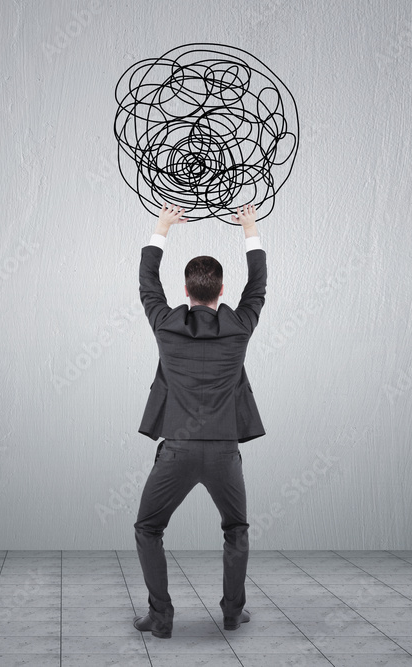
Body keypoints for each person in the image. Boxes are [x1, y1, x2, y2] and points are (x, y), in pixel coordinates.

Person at [132, 202, 266, 639]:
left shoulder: (165, 327)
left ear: (186, 291)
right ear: (222, 290)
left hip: (177, 452)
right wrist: (249, 229)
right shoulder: (240, 327)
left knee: (149, 528)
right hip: (225, 451)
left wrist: (162, 227)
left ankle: (162, 616)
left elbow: (147, 284)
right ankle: (232, 612)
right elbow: (259, 288)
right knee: (237, 530)